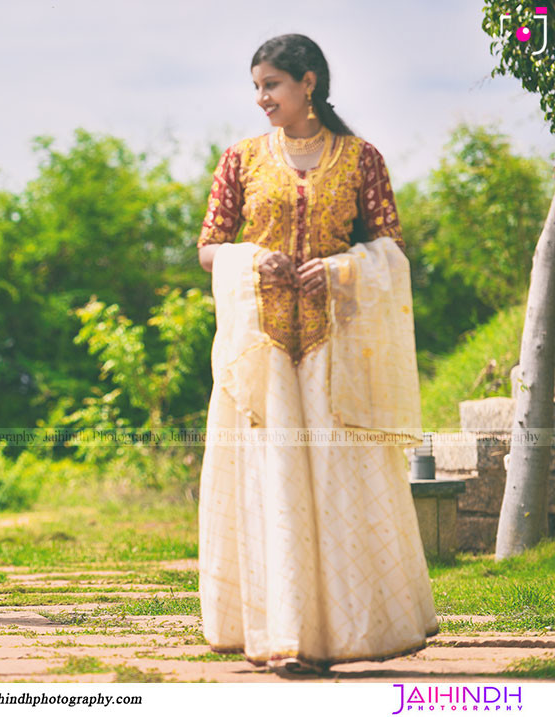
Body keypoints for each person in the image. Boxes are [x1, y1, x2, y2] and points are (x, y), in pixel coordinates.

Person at [196, 35, 437, 674]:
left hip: (336, 352)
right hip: (262, 353)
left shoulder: (361, 159)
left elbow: (391, 249)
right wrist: (253, 260)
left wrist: (340, 270)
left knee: (337, 488)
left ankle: (343, 634)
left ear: (308, 83)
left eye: (272, 85)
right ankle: (282, 635)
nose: (262, 99)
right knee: (271, 485)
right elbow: (209, 248)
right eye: (256, 88)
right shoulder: (240, 159)